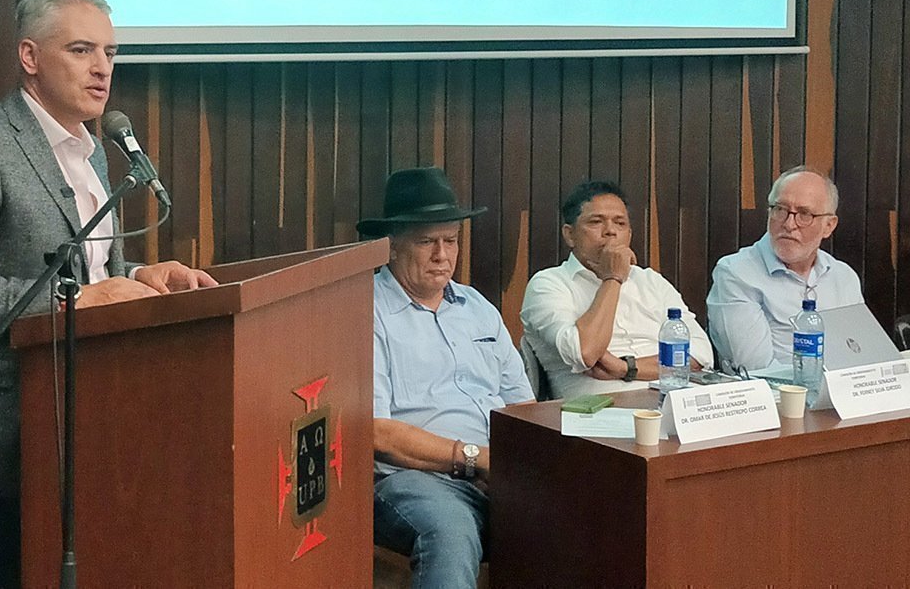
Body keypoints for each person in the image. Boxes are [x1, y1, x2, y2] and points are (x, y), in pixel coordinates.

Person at [0, 0, 216, 588]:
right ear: (29, 57)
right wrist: (78, 299)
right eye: (81, 50)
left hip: (83, 416)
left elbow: (90, 273)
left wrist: (141, 275)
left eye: (111, 53)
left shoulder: (92, 152)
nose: (102, 69)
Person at [359, 167, 534, 589]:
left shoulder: (477, 307)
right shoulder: (365, 310)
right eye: (426, 242)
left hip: (498, 473)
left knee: (593, 511)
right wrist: (476, 458)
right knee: (449, 530)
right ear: (391, 246)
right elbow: (376, 432)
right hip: (410, 480)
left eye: (451, 240)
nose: (443, 254)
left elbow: (525, 410)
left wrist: (518, 468)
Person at [520, 180, 712, 398]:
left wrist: (626, 368)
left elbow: (701, 355)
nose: (610, 231)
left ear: (629, 236)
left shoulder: (650, 280)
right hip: (599, 412)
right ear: (569, 234)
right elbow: (586, 353)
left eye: (620, 224)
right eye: (596, 222)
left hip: (677, 402)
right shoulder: (548, 284)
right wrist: (613, 277)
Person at [707, 167, 862, 370]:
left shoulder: (843, 276)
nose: (789, 224)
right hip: (779, 398)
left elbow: (859, 354)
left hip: (841, 395)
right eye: (780, 209)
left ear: (829, 226)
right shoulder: (736, 273)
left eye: (804, 214)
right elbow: (755, 368)